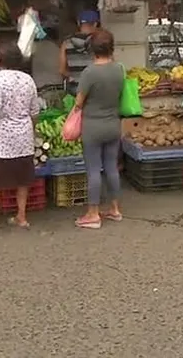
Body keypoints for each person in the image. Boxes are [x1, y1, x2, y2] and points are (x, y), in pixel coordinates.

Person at [0, 43, 41, 237]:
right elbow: (35, 111)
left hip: (1, 140)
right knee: (23, 180)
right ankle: (21, 217)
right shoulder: (28, 79)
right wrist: (31, 128)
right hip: (23, 137)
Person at [73, 30, 125, 229]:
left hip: (93, 127)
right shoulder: (119, 69)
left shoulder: (90, 72)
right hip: (113, 125)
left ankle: (93, 214)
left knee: (94, 169)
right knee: (111, 167)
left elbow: (79, 102)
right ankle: (114, 209)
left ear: (92, 49)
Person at [59, 10, 100, 95]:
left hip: (76, 88)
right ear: (95, 24)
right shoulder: (98, 42)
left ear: (78, 23)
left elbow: (62, 70)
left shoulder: (66, 43)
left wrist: (74, 76)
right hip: (95, 87)